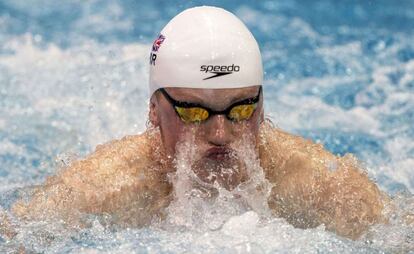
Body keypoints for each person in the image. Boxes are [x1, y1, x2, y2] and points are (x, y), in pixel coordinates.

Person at [8, 6, 387, 240]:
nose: (220, 134)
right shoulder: (104, 188)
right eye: (193, 112)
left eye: (240, 110)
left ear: (262, 104)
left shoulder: (316, 182)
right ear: (154, 111)